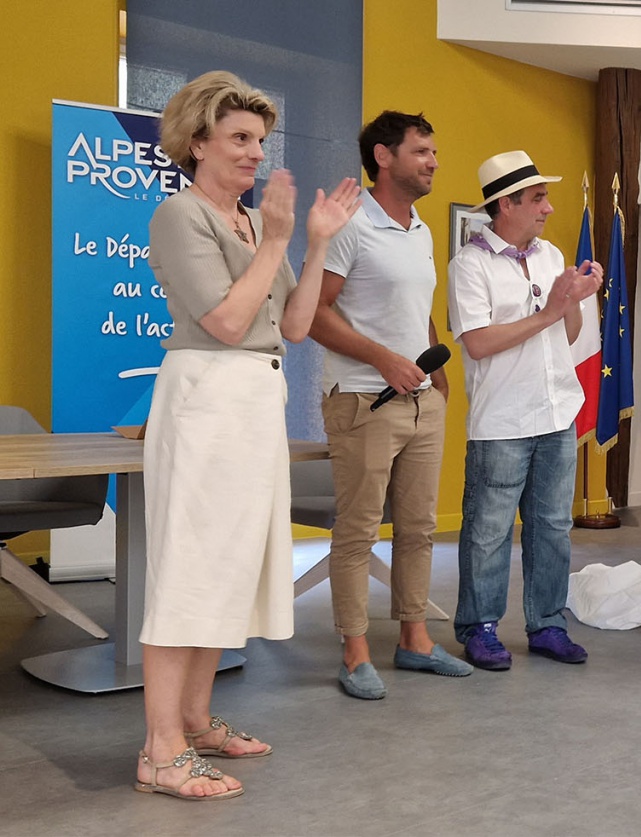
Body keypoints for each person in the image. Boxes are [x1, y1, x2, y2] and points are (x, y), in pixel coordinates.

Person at [138, 70, 359, 799]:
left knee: (226, 567)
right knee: (189, 570)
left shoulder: (254, 226)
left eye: (261, 141)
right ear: (197, 141)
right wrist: (278, 239)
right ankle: (161, 752)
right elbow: (229, 322)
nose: (255, 153)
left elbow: (293, 326)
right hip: (206, 396)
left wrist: (315, 244)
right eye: (239, 138)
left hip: (254, 401)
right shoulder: (181, 214)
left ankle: (195, 721)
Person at [308, 111, 470, 700]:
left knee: (420, 529)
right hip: (362, 399)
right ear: (383, 156)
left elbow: (416, 312)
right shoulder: (351, 224)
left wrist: (437, 377)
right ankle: (354, 653)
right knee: (357, 531)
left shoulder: (420, 230)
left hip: (422, 402)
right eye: (421, 151)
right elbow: (314, 313)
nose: (433, 162)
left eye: (433, 152)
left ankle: (414, 640)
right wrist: (384, 360)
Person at [447, 150, 603, 670]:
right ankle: (479, 628)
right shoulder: (469, 265)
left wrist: (576, 299)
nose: (548, 208)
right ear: (506, 204)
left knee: (553, 527)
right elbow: (479, 343)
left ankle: (548, 624)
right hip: (502, 420)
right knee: (488, 532)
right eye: (538, 198)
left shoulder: (551, 255)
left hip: (556, 412)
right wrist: (551, 310)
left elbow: (569, 335)